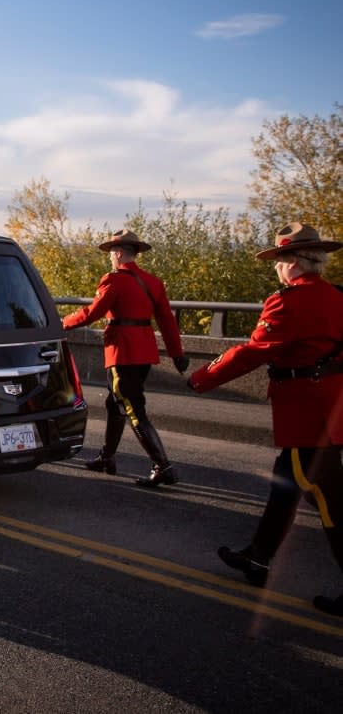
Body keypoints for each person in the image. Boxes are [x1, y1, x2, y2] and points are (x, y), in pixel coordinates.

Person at [188, 223, 343, 617]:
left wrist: (204, 377)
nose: (276, 268)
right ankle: (257, 558)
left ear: (291, 262)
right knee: (285, 485)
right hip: (333, 405)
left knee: (328, 500)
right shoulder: (338, 296)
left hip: (308, 413)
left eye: (278, 261)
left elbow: (254, 352)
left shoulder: (288, 302)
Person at [63, 229, 188, 487]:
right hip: (144, 352)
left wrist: (60, 323)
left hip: (122, 351)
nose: (110, 258)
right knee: (115, 402)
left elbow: (91, 313)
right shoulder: (153, 282)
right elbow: (167, 322)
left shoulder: (114, 279)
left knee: (132, 407)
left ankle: (162, 465)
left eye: (111, 253)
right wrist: (177, 354)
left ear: (118, 253)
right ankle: (107, 458)